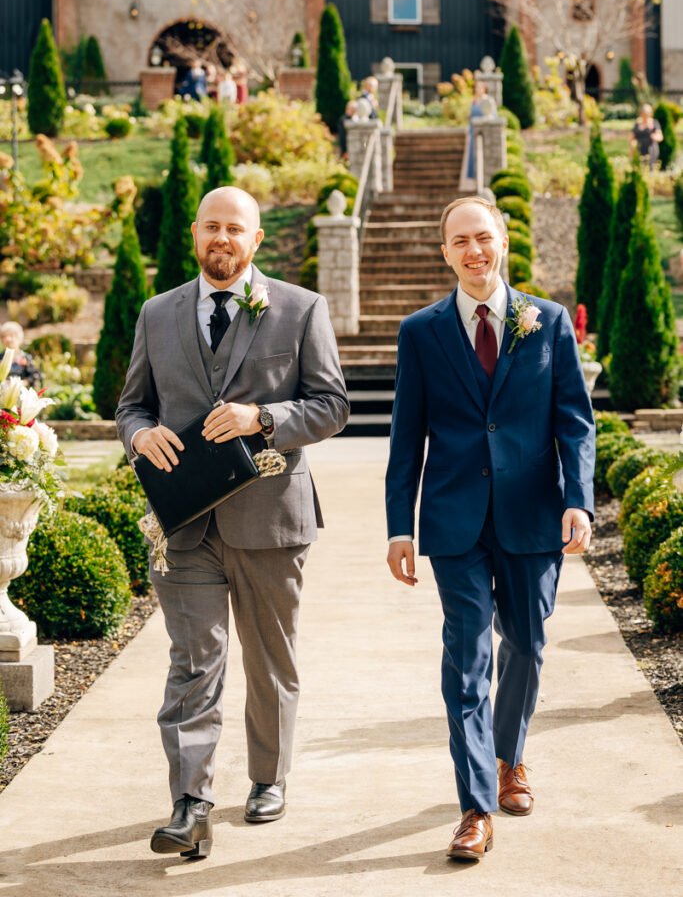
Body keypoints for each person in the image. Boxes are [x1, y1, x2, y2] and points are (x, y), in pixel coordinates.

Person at [116, 186, 349, 859]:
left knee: (270, 659)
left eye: (235, 228)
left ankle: (269, 778)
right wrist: (139, 437)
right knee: (193, 663)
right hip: (184, 524)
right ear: (195, 233)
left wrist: (263, 418)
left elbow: (331, 405)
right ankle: (191, 804)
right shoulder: (157, 313)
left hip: (270, 518)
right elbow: (132, 406)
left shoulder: (301, 308)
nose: (222, 238)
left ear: (255, 239)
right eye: (211, 226)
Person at [385, 196, 595, 862]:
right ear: (444, 252)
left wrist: (579, 500)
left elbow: (574, 422)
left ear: (501, 240)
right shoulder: (420, 332)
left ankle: (510, 758)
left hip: (532, 514)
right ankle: (475, 807)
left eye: (482, 237)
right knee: (467, 659)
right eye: (460, 241)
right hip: (454, 522)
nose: (473, 250)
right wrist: (398, 527)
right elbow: (406, 437)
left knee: (526, 646)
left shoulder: (548, 321)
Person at [459, 79, 495, 190]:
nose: (478, 89)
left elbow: (493, 116)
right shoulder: (473, 101)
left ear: (484, 88)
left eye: (480, 87)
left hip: (483, 135)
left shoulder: (488, 101)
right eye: (476, 87)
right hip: (472, 134)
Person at [0, 321, 42, 389]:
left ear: (19, 338)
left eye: (11, 335)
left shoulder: (27, 358)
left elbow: (36, 376)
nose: (8, 339)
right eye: (4, 336)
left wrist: (23, 383)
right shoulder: (0, 358)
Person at [629, 103, 663, 169]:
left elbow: (660, 137)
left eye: (646, 113)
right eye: (643, 113)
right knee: (639, 167)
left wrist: (653, 135)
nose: (645, 115)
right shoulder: (637, 124)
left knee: (650, 167)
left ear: (650, 114)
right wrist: (631, 151)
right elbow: (631, 139)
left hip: (651, 150)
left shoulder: (654, 123)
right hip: (639, 150)